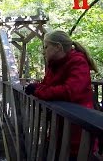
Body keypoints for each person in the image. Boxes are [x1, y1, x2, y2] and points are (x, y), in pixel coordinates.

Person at [24, 30, 98, 160]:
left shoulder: (78, 62)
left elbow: (70, 91)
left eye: (46, 47)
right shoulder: (54, 65)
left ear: (58, 47)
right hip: (60, 127)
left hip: (79, 129)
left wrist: (37, 91)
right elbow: (47, 85)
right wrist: (36, 87)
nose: (43, 51)